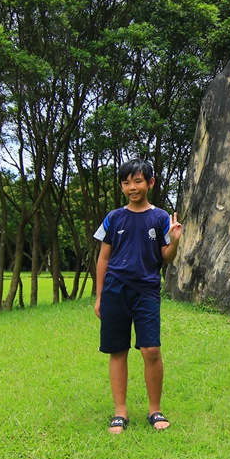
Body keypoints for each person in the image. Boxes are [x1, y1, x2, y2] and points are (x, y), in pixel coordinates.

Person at [93, 159, 182, 433]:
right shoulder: (114, 217)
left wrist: (175, 240)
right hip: (115, 289)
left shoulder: (160, 217)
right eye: (126, 182)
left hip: (146, 290)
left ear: (150, 183)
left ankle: (155, 410)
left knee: (151, 350)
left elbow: (165, 258)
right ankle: (120, 412)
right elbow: (103, 257)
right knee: (117, 350)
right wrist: (99, 297)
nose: (132, 187)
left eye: (138, 181)